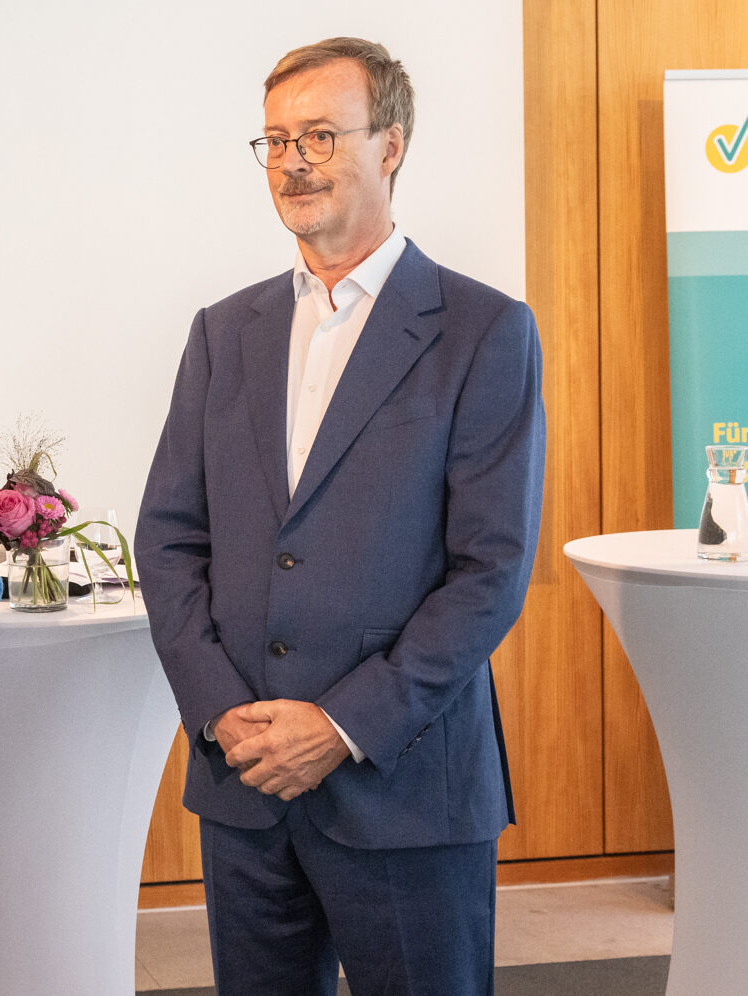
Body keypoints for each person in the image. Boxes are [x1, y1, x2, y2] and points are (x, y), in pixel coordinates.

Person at [135, 38, 545, 995]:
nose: (293, 160)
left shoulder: (483, 331)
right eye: (275, 140)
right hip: (243, 786)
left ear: (391, 144)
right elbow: (168, 538)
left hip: (402, 786)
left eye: (320, 134)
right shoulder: (222, 332)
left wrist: (341, 724)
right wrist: (223, 713)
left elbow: (490, 572)